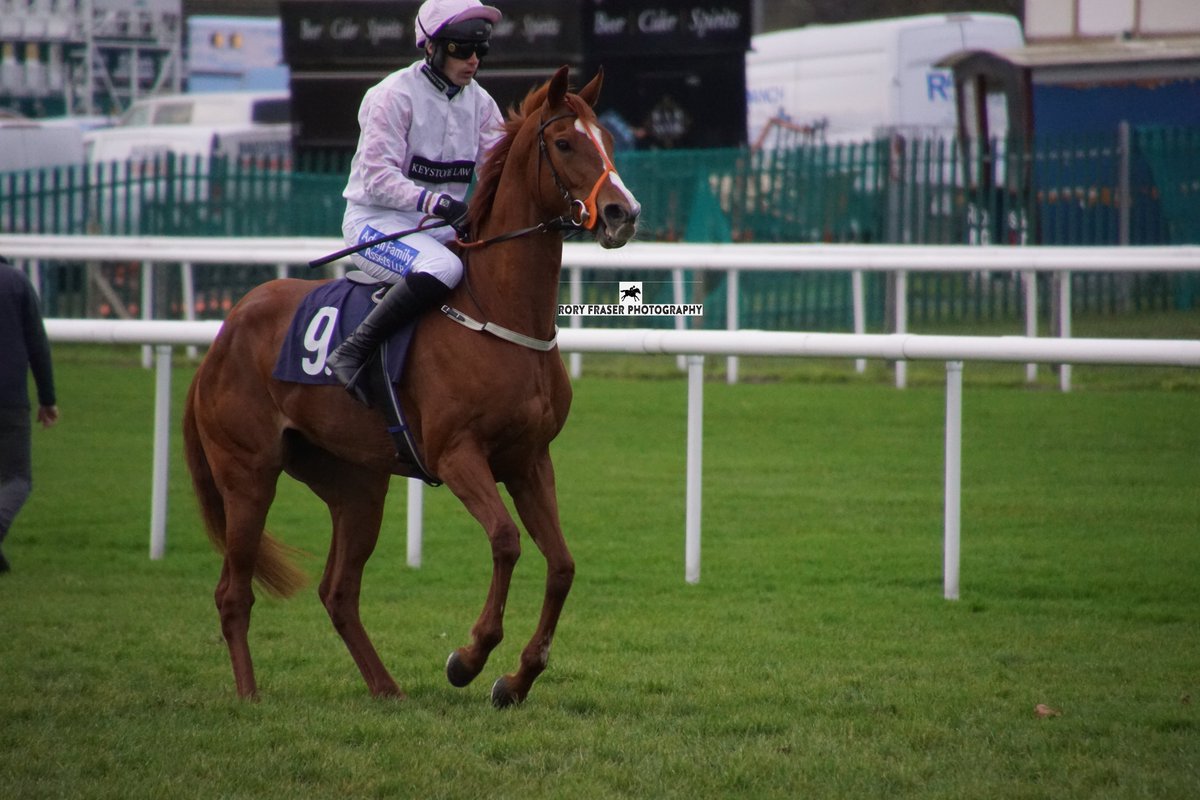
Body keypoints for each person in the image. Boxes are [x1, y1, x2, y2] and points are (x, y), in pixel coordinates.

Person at [326, 0, 505, 402]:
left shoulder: (482, 104)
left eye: (482, 50)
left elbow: (500, 173)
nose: (473, 60)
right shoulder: (391, 96)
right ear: (431, 47)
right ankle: (353, 350)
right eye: (462, 49)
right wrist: (439, 204)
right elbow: (376, 178)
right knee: (443, 267)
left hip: (439, 232)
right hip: (376, 225)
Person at [0, 255, 59, 574]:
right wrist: (47, 399)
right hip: (9, 399)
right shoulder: (16, 282)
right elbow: (38, 344)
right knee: (17, 479)